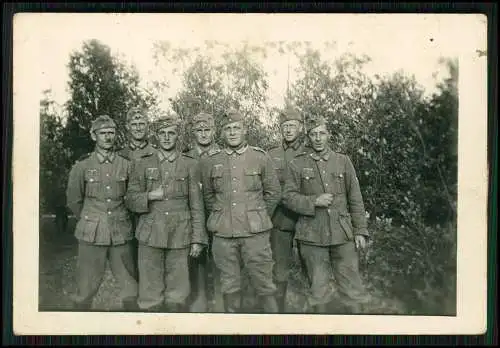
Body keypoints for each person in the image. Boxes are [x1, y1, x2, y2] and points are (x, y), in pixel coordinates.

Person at [282, 116, 371, 314]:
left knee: (353, 289)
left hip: (342, 234)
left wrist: (360, 231)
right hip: (312, 236)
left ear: (328, 135)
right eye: (313, 134)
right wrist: (314, 201)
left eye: (322, 133)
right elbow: (287, 197)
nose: (318, 138)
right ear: (308, 137)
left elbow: (355, 198)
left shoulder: (343, 161)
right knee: (318, 291)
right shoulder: (297, 164)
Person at [200, 109, 281, 313]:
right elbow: (209, 196)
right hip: (224, 235)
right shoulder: (211, 161)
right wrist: (221, 216)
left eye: (236, 128)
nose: (233, 132)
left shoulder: (260, 157)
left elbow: (273, 193)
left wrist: (258, 216)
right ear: (222, 133)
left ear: (245, 130)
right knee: (229, 284)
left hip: (255, 235)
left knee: (264, 283)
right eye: (228, 129)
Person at [125, 114, 207, 312]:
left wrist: (197, 239)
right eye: (162, 133)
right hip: (150, 234)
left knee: (178, 292)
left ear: (177, 136)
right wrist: (151, 195)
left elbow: (196, 205)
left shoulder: (190, 164)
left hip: (180, 234)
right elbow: (130, 199)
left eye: (171, 133)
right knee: (150, 291)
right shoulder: (142, 163)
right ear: (156, 136)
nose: (167, 137)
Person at [66, 115, 138, 311]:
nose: (107, 137)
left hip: (121, 232)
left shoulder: (126, 165)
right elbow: (74, 201)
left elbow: (132, 197)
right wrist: (91, 220)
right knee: (85, 287)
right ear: (93, 135)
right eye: (103, 133)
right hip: (91, 233)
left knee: (130, 285)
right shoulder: (82, 166)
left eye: (111, 133)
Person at [267, 105, 309, 312]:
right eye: (285, 126)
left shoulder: (310, 154)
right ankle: (279, 319)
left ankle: (311, 318)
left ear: (300, 127)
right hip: (280, 221)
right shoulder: (271, 155)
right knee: (279, 271)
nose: (289, 130)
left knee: (311, 270)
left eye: (293, 125)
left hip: (307, 221)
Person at [184, 112, 224, 313]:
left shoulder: (223, 155)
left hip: (217, 214)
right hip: (194, 216)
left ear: (214, 131)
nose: (203, 134)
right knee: (196, 258)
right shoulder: (186, 157)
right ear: (193, 132)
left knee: (219, 257)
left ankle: (219, 298)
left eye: (207, 130)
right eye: (199, 130)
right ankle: (199, 296)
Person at [118, 107, 158, 280]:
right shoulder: (119, 155)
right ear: (127, 126)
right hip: (124, 215)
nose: (138, 127)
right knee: (129, 264)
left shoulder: (157, 154)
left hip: (149, 213)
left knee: (150, 261)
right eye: (134, 124)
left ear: (148, 126)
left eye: (142, 123)